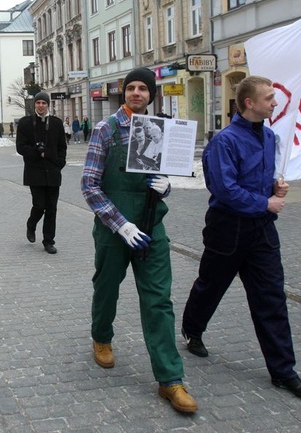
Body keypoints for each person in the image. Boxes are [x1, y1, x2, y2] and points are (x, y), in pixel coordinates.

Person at [182, 75, 301, 399]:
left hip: (262, 231)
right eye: (269, 98)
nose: (274, 103)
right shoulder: (224, 141)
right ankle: (193, 329)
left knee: (271, 298)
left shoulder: (270, 137)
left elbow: (263, 179)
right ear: (249, 103)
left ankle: (284, 371)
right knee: (210, 286)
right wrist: (265, 201)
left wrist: (275, 188)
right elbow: (224, 189)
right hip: (227, 228)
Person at [81, 67, 197, 414]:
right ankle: (101, 336)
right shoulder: (106, 129)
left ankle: (171, 379)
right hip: (114, 227)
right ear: (123, 92)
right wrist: (120, 225)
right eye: (130, 87)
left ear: (150, 95)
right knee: (107, 287)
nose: (136, 93)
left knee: (159, 300)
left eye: (142, 89)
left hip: (151, 228)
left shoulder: (161, 130)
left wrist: (167, 187)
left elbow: (168, 175)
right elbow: (89, 185)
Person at [16, 91, 67, 254]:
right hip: (34, 171)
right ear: (34, 105)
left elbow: (62, 147)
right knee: (39, 205)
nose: (41, 106)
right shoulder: (25, 123)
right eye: (38, 103)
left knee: (51, 208)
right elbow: (20, 147)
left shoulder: (56, 123)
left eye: (44, 103)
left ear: (48, 105)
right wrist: (36, 151)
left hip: (53, 171)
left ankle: (48, 241)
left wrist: (60, 163)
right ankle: (31, 225)